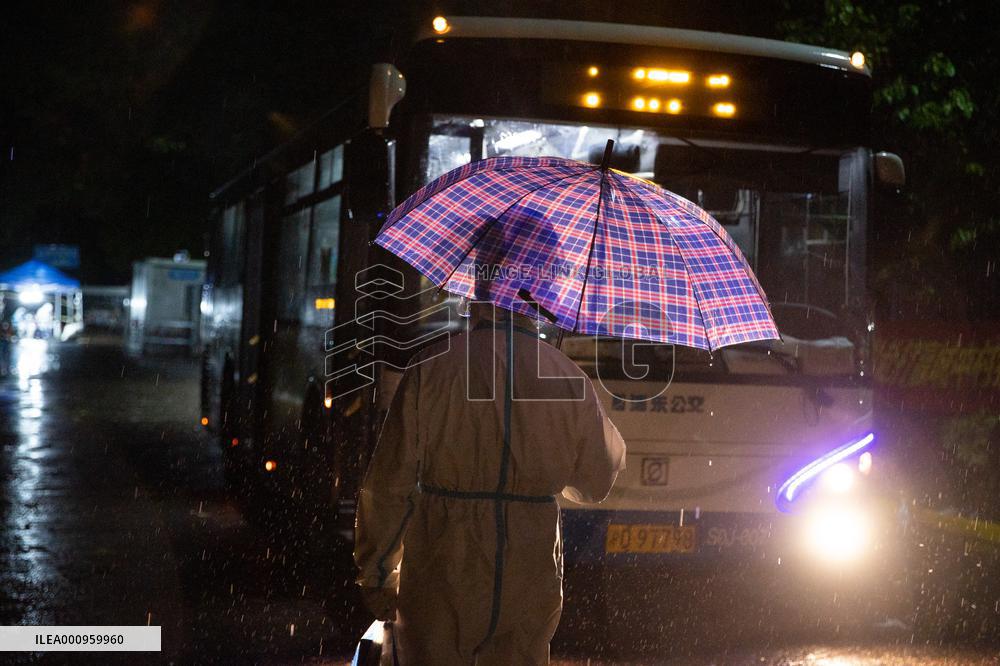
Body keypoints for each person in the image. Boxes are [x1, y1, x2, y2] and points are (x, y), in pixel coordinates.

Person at [354, 301, 626, 665]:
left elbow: (390, 484)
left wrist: (378, 571)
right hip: (531, 565)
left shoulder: (432, 366)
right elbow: (595, 483)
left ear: (474, 299)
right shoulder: (569, 378)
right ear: (539, 305)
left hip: (442, 559)